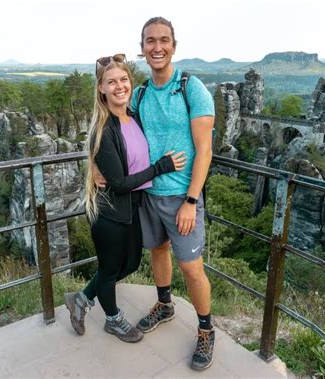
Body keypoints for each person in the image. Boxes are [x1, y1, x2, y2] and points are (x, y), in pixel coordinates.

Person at [63, 54, 186, 343]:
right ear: (101, 89)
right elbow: (118, 184)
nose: (119, 86)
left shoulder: (134, 117)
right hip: (109, 212)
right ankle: (113, 319)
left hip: (132, 208)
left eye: (123, 79)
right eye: (111, 82)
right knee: (108, 270)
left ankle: (81, 298)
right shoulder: (104, 130)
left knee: (129, 264)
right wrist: (162, 167)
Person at [132, 17, 216, 370]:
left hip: (183, 197)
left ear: (174, 46)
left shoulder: (191, 89)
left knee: (192, 268)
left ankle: (206, 329)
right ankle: (165, 304)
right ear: (142, 48)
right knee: (158, 250)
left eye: (163, 40)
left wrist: (191, 201)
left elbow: (204, 150)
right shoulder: (139, 94)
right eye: (150, 41)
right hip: (150, 194)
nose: (157, 47)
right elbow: (121, 139)